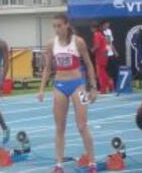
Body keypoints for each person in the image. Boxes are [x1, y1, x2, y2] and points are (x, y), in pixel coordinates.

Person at [37, 13, 97, 173]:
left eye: (59, 25)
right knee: (59, 127)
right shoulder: (51, 44)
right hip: (60, 86)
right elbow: (47, 68)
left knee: (82, 125)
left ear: (67, 25)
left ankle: (92, 163)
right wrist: (42, 89)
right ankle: (59, 165)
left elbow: (89, 65)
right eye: (54, 26)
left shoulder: (78, 42)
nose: (57, 29)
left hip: (78, 85)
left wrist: (93, 87)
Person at [91, 21, 110, 94]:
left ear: (94, 28)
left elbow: (97, 45)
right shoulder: (101, 34)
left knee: (100, 72)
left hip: (100, 55)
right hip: (104, 54)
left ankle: (103, 89)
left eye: (92, 28)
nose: (91, 30)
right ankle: (109, 86)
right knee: (103, 71)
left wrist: (92, 50)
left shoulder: (97, 34)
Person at [101, 20, 118, 89]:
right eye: (106, 25)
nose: (107, 26)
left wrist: (115, 51)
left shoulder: (109, 31)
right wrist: (104, 54)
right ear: (103, 25)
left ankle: (114, 86)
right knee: (105, 71)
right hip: (104, 54)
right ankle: (106, 86)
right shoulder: (100, 32)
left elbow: (110, 42)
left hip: (110, 53)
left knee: (113, 71)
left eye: (108, 25)